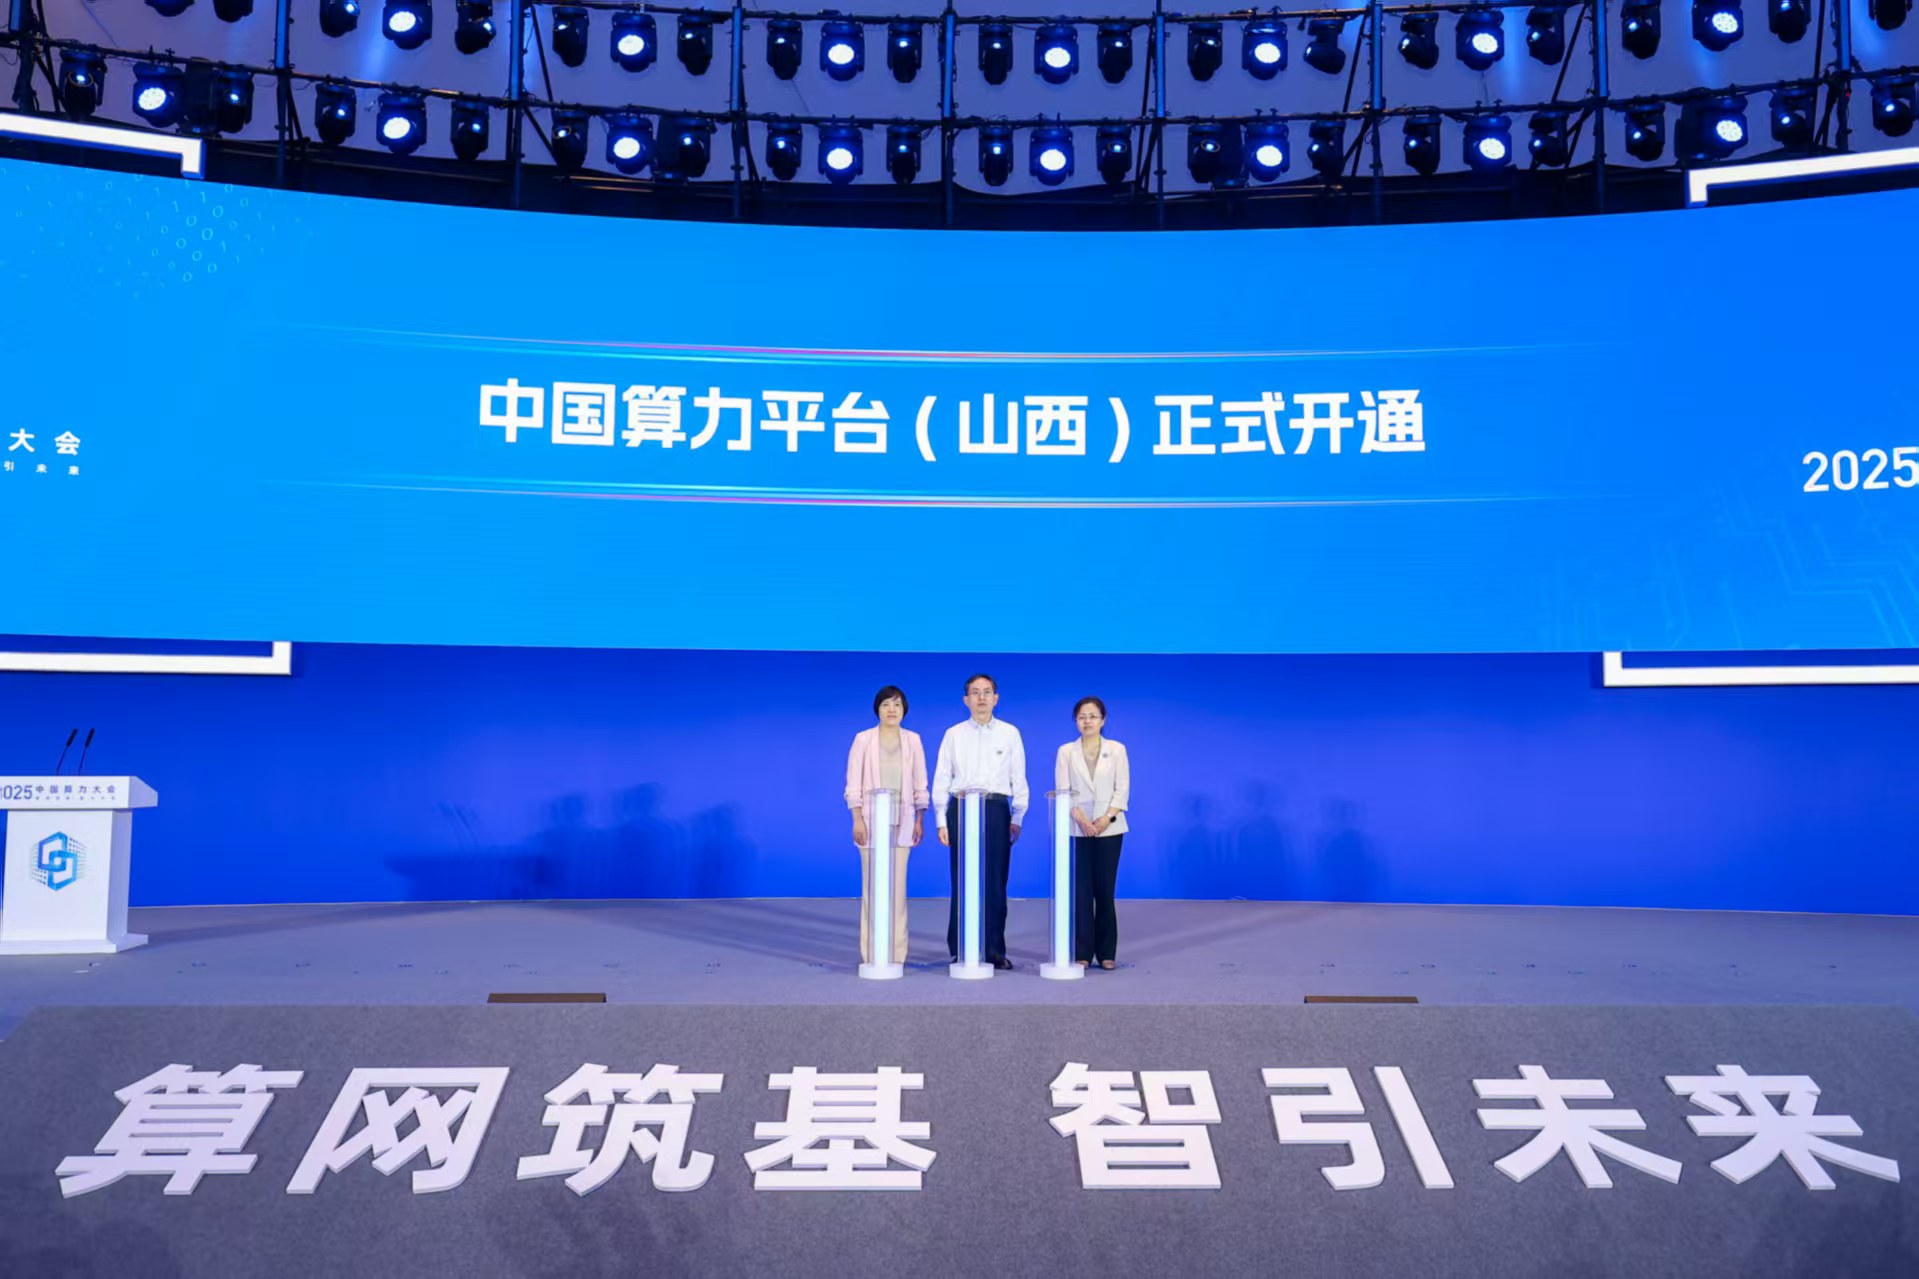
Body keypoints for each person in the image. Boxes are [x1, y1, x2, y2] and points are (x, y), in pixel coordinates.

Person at [931, 673, 1027, 971]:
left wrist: (1018, 815)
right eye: (975, 692)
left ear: (996, 698)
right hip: (961, 808)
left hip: (996, 809)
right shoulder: (954, 734)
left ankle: (994, 950)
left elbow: (1018, 776)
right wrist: (940, 819)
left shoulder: (1010, 733)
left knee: (996, 881)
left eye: (987, 692)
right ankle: (961, 947)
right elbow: (942, 777)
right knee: (963, 879)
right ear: (966, 700)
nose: (981, 697)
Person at [844, 686, 928, 967]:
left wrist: (919, 819)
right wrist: (857, 819)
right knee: (873, 891)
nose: (892, 710)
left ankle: (897, 955)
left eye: (897, 705)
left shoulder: (913, 740)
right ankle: (872, 954)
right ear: (877, 709)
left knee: (897, 892)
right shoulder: (863, 740)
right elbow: (853, 784)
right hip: (871, 823)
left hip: (903, 823)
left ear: (904, 710)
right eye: (886, 705)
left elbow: (920, 784)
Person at [1055, 696, 1129, 970]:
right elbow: (1063, 790)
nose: (1087, 721)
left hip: (1110, 828)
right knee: (1081, 893)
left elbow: (1122, 789)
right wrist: (1082, 820)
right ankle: (1082, 952)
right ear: (1076, 721)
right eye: (1082, 717)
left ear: (1103, 720)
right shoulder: (1066, 751)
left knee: (1105, 891)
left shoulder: (1117, 749)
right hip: (1078, 829)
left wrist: (1106, 818)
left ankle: (1107, 952)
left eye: (1093, 716)